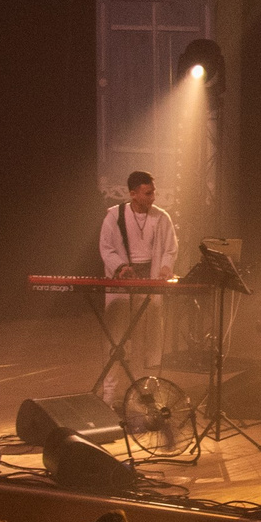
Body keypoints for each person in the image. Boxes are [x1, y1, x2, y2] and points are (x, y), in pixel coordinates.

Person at [97, 170, 177, 405]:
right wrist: (120, 266)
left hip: (150, 281)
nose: (153, 197)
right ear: (133, 194)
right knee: (116, 337)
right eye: (148, 193)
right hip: (124, 280)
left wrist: (165, 267)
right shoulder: (115, 216)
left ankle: (148, 390)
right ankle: (109, 394)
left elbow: (171, 248)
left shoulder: (162, 217)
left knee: (153, 333)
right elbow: (106, 247)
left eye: (154, 192)